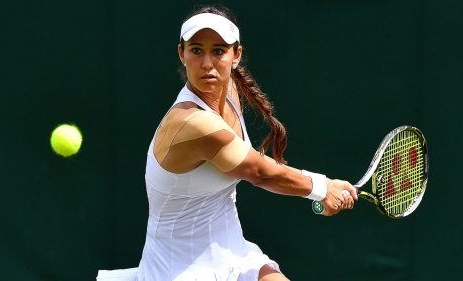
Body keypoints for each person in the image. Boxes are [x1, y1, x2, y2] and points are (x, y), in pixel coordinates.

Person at [97, 5, 357, 281]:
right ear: (181, 53)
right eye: (196, 50)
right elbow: (258, 172)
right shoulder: (193, 124)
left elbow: (247, 160)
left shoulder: (228, 90)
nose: (207, 63)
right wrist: (320, 187)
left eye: (218, 51)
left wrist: (322, 186)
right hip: (179, 272)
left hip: (233, 255)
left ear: (237, 55)